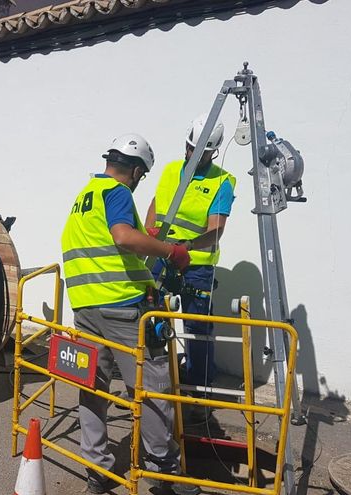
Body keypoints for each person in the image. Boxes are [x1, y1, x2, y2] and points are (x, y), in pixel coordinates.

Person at [61, 134, 198, 495]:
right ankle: (165, 474)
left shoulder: (85, 196)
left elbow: (108, 243)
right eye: (142, 176)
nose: (140, 183)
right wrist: (171, 251)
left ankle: (96, 470)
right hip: (123, 309)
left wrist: (145, 238)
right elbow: (122, 237)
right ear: (135, 170)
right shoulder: (118, 192)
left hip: (86, 308)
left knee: (93, 389)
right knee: (152, 389)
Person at [145, 115, 236, 390]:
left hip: (196, 266)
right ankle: (157, 380)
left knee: (196, 328)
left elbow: (216, 230)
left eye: (200, 151)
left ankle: (200, 387)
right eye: (189, 147)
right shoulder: (172, 170)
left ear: (213, 151)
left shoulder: (222, 182)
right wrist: (149, 237)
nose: (192, 153)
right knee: (152, 317)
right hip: (161, 258)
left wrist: (187, 247)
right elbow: (155, 208)